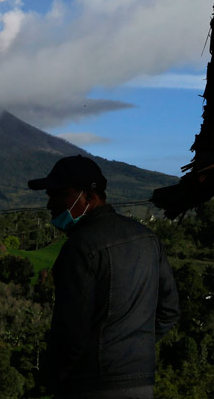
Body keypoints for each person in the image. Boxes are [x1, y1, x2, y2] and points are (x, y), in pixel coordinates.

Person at [29, 155, 180, 399]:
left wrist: (55, 378)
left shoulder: (81, 247)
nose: (50, 205)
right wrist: (132, 350)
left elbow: (71, 331)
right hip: (141, 384)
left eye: (59, 195)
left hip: (91, 385)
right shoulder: (148, 239)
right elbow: (169, 311)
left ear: (88, 196)